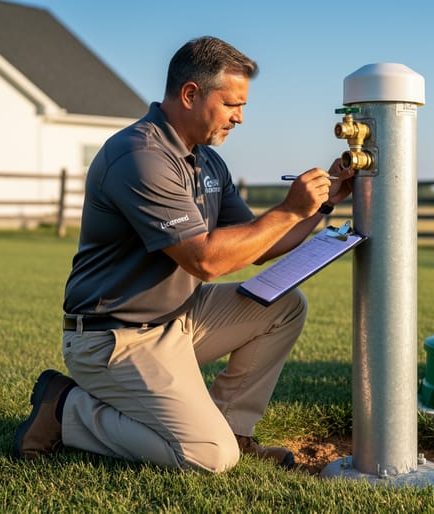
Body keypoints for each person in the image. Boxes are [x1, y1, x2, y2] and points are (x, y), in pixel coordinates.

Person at [13, 36, 353, 472]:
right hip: (113, 337)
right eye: (233, 104)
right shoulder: (139, 156)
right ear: (191, 94)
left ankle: (234, 429)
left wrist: (322, 205)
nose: (240, 117)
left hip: (176, 317)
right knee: (208, 457)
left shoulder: (207, 162)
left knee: (284, 306)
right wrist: (288, 208)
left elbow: (258, 245)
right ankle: (67, 411)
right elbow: (205, 261)